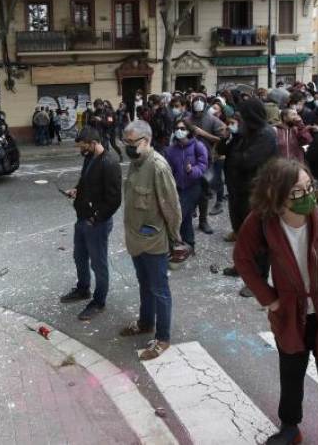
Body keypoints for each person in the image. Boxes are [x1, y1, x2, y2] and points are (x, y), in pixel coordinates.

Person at [235, 158, 318, 445]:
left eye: (309, 187)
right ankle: (290, 427)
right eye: (297, 192)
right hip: (290, 314)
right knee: (291, 373)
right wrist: (269, 299)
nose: (308, 196)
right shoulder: (261, 220)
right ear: (274, 196)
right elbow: (243, 258)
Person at [118, 120, 182, 361]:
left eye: (131, 142)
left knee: (159, 290)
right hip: (136, 239)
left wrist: (175, 239)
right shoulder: (136, 163)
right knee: (144, 284)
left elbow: (171, 208)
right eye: (125, 142)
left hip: (154, 241)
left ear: (146, 141)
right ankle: (146, 323)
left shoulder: (158, 167)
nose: (127, 146)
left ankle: (163, 338)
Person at [59, 126, 122, 321]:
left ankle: (99, 301)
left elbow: (114, 200)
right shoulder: (89, 157)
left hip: (97, 223)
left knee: (98, 264)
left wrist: (96, 218)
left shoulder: (109, 163)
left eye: (83, 146)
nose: (81, 150)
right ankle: (83, 289)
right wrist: (76, 190)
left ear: (94, 143)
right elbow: (85, 181)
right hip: (82, 218)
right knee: (79, 257)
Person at [220, 98, 279, 245]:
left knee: (250, 215)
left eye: (243, 114)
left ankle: (249, 242)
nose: (241, 118)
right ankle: (238, 232)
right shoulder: (245, 130)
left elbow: (247, 161)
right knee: (235, 210)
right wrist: (226, 138)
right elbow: (222, 150)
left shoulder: (266, 134)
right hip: (236, 182)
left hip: (253, 183)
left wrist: (234, 152)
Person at [164, 121, 208, 252]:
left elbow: (203, 165)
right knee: (186, 216)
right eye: (177, 128)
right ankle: (189, 244)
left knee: (180, 215)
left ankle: (174, 243)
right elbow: (168, 168)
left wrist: (192, 171)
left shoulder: (197, 146)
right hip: (177, 187)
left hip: (193, 186)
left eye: (182, 128)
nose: (179, 131)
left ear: (188, 130)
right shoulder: (171, 150)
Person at [191, 94, 228, 228]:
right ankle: (189, 215)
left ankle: (203, 221)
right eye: (196, 100)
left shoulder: (212, 120)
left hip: (206, 160)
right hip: (189, 160)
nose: (198, 103)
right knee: (189, 190)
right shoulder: (187, 119)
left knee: (204, 191)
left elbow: (222, 137)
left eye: (201, 100)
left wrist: (203, 134)